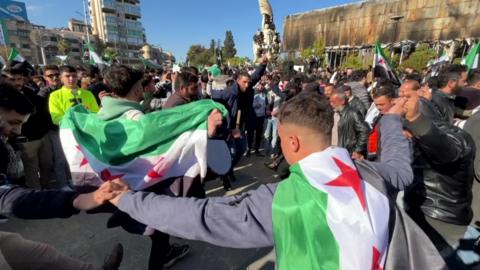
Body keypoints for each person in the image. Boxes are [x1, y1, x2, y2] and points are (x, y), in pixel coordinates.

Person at [108, 92, 445, 269]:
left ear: (292, 142)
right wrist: (390, 120)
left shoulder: (283, 200)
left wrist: (128, 200)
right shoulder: (372, 174)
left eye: (281, 139)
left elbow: (200, 218)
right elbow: (401, 169)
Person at [400, 80, 476, 268]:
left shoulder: (456, 137)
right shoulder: (420, 138)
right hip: (422, 218)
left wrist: (416, 120)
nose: (405, 135)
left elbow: (446, 152)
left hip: (442, 224)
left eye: (406, 130)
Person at [7, 68, 53, 189]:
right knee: (32, 169)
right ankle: (37, 195)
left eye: (20, 79)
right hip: (25, 141)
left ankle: (46, 189)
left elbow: (41, 112)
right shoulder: (4, 98)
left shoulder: (31, 93)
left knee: (47, 164)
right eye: (13, 79)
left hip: (42, 136)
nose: (17, 82)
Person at [329, 88, 370, 160]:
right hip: (336, 152)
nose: (331, 104)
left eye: (333, 102)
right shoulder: (334, 113)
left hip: (348, 153)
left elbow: (364, 131)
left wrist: (358, 150)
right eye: (330, 102)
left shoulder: (353, 113)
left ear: (342, 101)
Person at [368, 85, 397, 161]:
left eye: (381, 104)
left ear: (393, 101)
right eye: (376, 105)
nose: (378, 108)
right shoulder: (380, 116)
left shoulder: (399, 120)